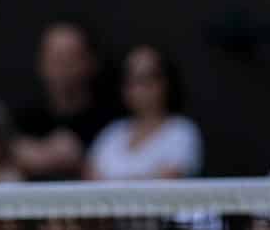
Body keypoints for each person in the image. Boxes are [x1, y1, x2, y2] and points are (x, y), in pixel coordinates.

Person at [12, 21, 115, 181]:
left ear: (90, 62)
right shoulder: (24, 119)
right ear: (41, 63)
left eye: (70, 58)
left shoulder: (113, 121)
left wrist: (81, 162)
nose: (61, 68)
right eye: (54, 58)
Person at [86, 44, 202, 180]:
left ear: (166, 83)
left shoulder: (181, 131)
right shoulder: (112, 132)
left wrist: (112, 183)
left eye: (148, 79)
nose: (139, 89)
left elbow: (168, 180)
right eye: (132, 80)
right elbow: (90, 179)